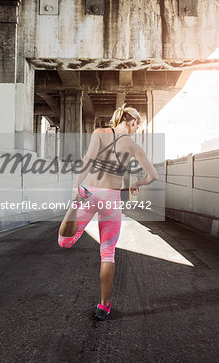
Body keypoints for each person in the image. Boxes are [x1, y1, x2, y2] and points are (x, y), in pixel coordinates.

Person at [58, 103, 158, 320]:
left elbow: (87, 160)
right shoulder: (133, 146)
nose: (135, 130)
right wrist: (137, 182)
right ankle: (103, 306)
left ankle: (74, 206)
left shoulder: (100, 133)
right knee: (108, 252)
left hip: (90, 193)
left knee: (65, 242)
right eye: (137, 127)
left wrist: (76, 187)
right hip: (111, 198)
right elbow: (153, 176)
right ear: (133, 122)